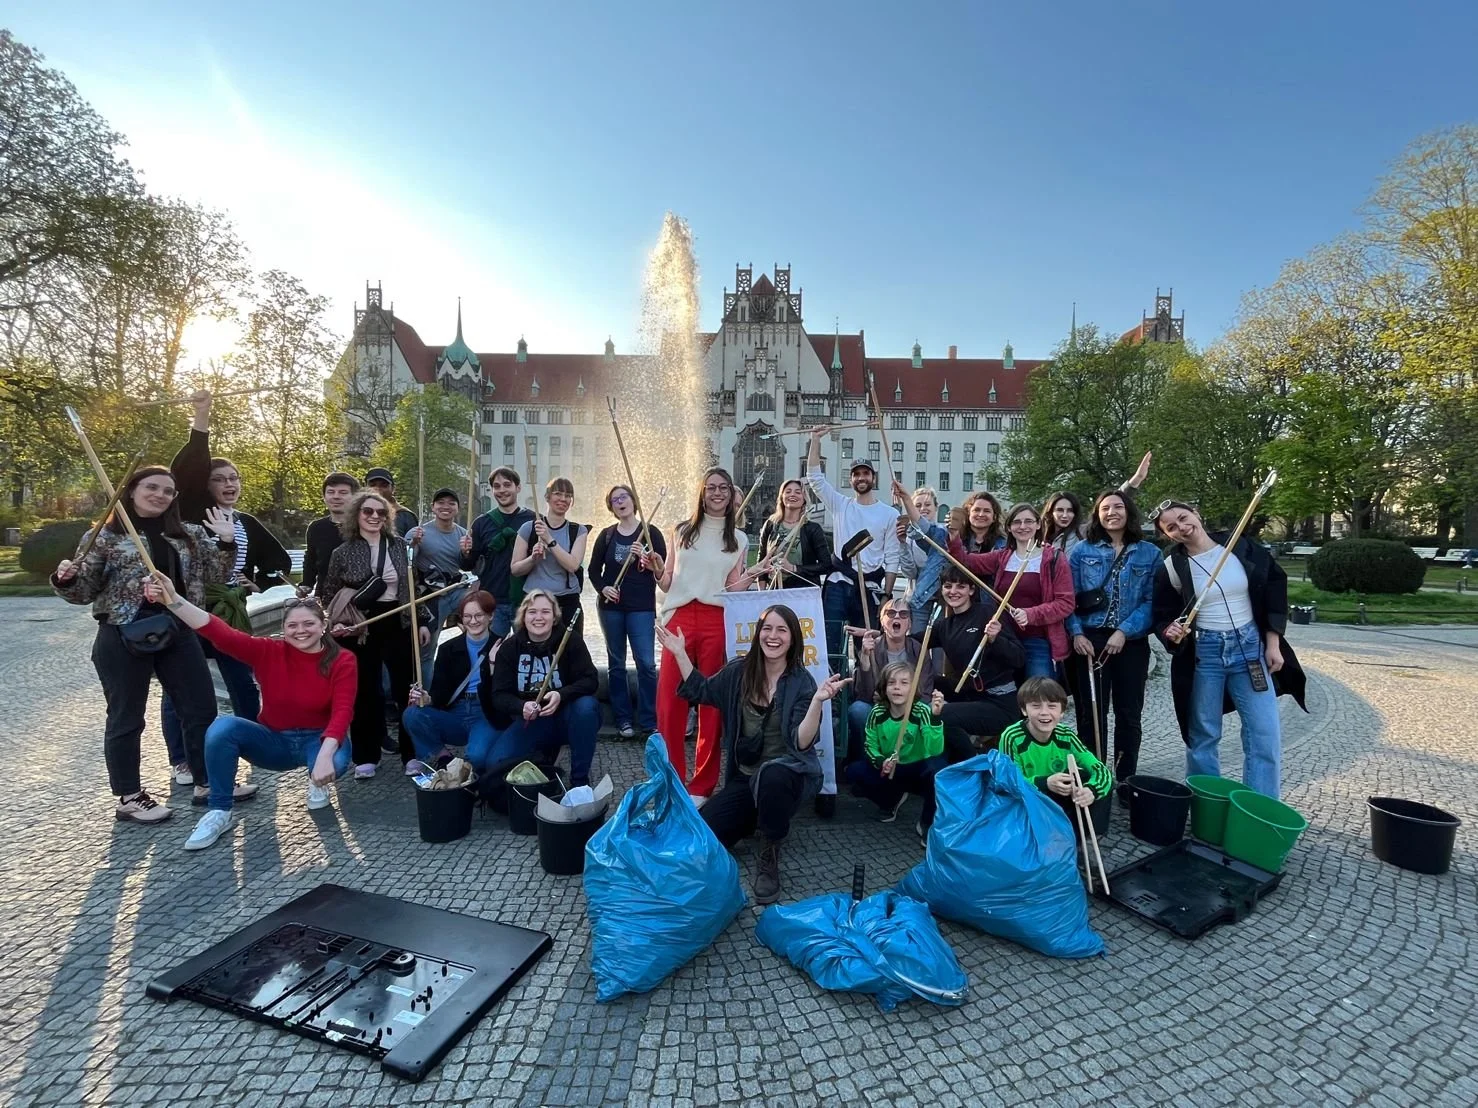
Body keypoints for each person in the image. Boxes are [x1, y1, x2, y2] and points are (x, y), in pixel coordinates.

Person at [51, 466, 241, 824]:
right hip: (122, 632)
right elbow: (82, 592)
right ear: (132, 491)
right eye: (151, 487)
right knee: (126, 717)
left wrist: (227, 542)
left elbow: (218, 574)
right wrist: (66, 580)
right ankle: (129, 796)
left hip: (178, 629)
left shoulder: (188, 533)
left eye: (168, 491)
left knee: (200, 708)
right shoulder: (104, 536)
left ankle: (207, 782)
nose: (160, 495)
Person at [141, 576, 357, 850]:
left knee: (334, 762)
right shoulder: (268, 651)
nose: (300, 631)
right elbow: (218, 631)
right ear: (283, 629)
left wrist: (325, 756)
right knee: (223, 728)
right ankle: (219, 811)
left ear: (323, 626)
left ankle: (319, 779)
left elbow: (342, 711)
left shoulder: (342, 659)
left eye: (309, 624)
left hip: (319, 739)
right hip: (275, 741)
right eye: (292, 625)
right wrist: (173, 600)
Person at [657, 605, 846, 905]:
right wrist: (680, 653)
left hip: (787, 776)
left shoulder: (802, 682)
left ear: (793, 638)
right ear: (758, 634)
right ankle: (753, 817)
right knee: (704, 833)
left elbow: (800, 743)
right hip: (746, 778)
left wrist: (817, 703)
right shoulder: (739, 672)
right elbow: (701, 690)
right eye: (767, 629)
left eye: (782, 630)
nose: (773, 636)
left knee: (772, 774)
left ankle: (770, 853)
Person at [162, 390, 294, 785]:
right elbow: (188, 468)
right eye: (219, 479)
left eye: (234, 478)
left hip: (231, 614)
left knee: (243, 681)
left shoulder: (245, 522)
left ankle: (254, 742)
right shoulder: (191, 515)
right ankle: (182, 758)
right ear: (205, 486)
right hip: (191, 611)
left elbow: (279, 561)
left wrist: (258, 582)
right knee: (179, 687)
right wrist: (202, 417)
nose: (229, 484)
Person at [1150, 500, 1308, 798]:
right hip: (1205, 655)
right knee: (1203, 735)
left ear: (1196, 513)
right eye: (1171, 527)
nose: (1181, 527)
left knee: (1264, 734)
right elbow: (1161, 615)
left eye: (1183, 517)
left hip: (1250, 650)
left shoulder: (1239, 545)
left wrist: (1273, 642)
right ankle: (1207, 804)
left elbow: (1274, 585)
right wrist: (1170, 630)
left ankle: (1260, 808)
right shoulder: (1172, 566)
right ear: (1167, 535)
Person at [648, 467, 765, 801]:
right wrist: (657, 569)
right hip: (680, 617)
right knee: (670, 702)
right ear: (702, 493)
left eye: (723, 488)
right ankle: (671, 779)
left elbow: (733, 586)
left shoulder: (738, 539)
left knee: (711, 704)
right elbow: (668, 581)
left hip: (716, 618)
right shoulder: (681, 531)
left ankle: (702, 785)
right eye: (711, 487)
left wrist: (756, 571)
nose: (717, 493)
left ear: (730, 495)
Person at [324, 488, 433, 776]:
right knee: (365, 690)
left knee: (407, 688)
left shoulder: (400, 546)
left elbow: (412, 587)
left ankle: (412, 753)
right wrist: (336, 623)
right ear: (356, 515)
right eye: (368, 511)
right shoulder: (342, 552)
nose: (375, 516)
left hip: (398, 619)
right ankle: (366, 755)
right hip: (360, 624)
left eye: (381, 512)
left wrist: (421, 620)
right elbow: (330, 593)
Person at [1065, 490, 1161, 791]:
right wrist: (1076, 633)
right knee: (1091, 713)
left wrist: (1124, 631)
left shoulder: (1149, 553)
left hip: (1130, 642)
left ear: (1129, 511)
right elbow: (1068, 598)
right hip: (1089, 640)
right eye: (1105, 508)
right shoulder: (1082, 551)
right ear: (1097, 514)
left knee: (1129, 713)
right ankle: (1095, 777)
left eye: (1118, 506)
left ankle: (1125, 777)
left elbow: (1153, 601)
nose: (1111, 513)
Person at [474, 589, 601, 788]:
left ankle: (579, 782)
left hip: (567, 717)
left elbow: (591, 680)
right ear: (523, 617)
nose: (539, 617)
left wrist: (561, 694)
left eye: (545, 612)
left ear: (554, 617)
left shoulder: (571, 640)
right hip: (532, 721)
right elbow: (499, 695)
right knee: (495, 763)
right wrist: (521, 706)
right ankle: (544, 758)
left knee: (586, 706)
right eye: (532, 612)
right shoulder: (510, 648)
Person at [805, 425, 902, 661]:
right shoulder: (841, 505)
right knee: (831, 644)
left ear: (873, 478)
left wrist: (887, 595)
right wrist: (815, 440)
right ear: (851, 480)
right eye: (856, 474)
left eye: (865, 473)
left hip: (869, 588)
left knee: (866, 649)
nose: (861, 478)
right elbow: (815, 479)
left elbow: (892, 558)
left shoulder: (889, 514)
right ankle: (833, 683)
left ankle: (863, 683)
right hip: (839, 584)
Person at [949, 502, 1074, 680]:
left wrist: (1030, 614)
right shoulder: (1003, 556)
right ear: (1008, 527)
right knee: (1005, 692)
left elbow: (1065, 603)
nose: (1023, 526)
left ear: (1038, 525)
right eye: (1017, 522)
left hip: (1038, 641)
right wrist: (954, 536)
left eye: (1028, 521)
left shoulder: (1054, 558)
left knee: (1038, 691)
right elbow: (965, 562)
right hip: (1004, 639)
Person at [588, 485, 666, 740]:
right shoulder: (607, 535)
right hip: (611, 608)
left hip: (641, 608)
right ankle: (623, 720)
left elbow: (661, 571)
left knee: (646, 663)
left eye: (624, 497)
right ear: (611, 507)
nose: (620, 502)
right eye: (614, 500)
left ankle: (648, 720)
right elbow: (593, 570)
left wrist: (645, 556)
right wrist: (604, 588)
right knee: (616, 664)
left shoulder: (650, 533)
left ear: (633, 500)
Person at [401, 590, 500, 774]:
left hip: (485, 712)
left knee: (476, 758)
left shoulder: (503, 646)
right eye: (467, 616)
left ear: (490, 616)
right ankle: (444, 757)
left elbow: (502, 693)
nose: (473, 621)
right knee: (412, 714)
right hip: (457, 710)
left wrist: (493, 665)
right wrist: (427, 698)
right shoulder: (448, 648)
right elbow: (440, 691)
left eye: (479, 615)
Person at [929, 566, 1025, 753]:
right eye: (948, 586)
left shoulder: (988, 613)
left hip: (999, 702)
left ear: (972, 590)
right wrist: (882, 636)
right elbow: (916, 641)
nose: (953, 591)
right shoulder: (945, 626)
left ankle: (973, 761)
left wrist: (996, 639)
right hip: (970, 694)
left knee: (940, 715)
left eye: (960, 586)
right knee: (927, 683)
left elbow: (1019, 658)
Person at [846, 661, 947, 839]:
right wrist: (880, 761)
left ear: (913, 688)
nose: (897, 687)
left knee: (937, 770)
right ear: (884, 688)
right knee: (853, 771)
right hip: (892, 768)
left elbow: (935, 749)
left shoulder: (922, 711)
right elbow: (870, 745)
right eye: (891, 682)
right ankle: (891, 801)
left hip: (919, 769)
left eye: (904, 683)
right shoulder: (877, 712)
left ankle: (927, 821)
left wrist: (935, 718)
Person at [997, 677, 1112, 833]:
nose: (1044, 712)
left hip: (1056, 795)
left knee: (1094, 780)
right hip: (1026, 800)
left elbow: (1101, 770)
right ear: (1024, 710)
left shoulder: (1066, 735)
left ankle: (1086, 833)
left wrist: (1091, 791)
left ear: (1062, 712)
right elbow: (1007, 782)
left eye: (1052, 706)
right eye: (1036, 706)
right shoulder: (1012, 737)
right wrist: (1045, 783)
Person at [844, 597, 935, 767]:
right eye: (891, 613)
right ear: (882, 621)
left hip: (910, 707)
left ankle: (917, 763)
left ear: (910, 623)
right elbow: (863, 695)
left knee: (930, 710)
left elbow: (925, 690)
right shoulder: (872, 648)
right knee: (858, 710)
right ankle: (865, 760)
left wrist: (898, 703)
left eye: (903, 614)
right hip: (878, 708)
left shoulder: (918, 649)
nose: (897, 617)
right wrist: (865, 659)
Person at [408, 487, 475, 675]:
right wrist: (412, 544)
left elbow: (472, 567)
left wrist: (467, 553)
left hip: (457, 590)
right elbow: (405, 564)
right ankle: (425, 689)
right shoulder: (418, 533)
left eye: (451, 503)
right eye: (441, 503)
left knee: (481, 619)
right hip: (430, 596)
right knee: (426, 650)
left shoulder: (464, 535)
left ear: (458, 509)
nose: (446, 507)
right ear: (433, 507)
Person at [467, 466, 537, 638]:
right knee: (492, 649)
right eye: (497, 486)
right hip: (493, 600)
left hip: (526, 600)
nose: (502, 490)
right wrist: (464, 552)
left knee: (527, 648)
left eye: (507, 485)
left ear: (518, 487)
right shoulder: (481, 523)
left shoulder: (534, 520)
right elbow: (468, 565)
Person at [510, 477, 589, 628]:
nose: (563, 499)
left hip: (567, 601)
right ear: (547, 497)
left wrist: (549, 540)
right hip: (534, 600)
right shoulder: (528, 528)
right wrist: (532, 559)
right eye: (558, 494)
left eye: (568, 496)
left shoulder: (578, 531)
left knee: (569, 643)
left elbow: (572, 565)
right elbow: (515, 569)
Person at [755, 480, 830, 589]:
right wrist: (761, 592)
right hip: (774, 590)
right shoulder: (770, 525)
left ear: (804, 499)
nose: (792, 494)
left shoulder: (812, 529)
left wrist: (793, 568)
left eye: (798, 492)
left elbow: (826, 565)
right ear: (782, 497)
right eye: (788, 491)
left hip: (802, 591)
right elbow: (761, 560)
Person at [894, 484, 948, 631]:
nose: (923, 508)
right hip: (918, 600)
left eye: (928, 504)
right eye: (917, 505)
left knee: (939, 641)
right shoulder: (910, 537)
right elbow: (910, 573)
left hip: (941, 599)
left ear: (936, 507)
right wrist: (903, 544)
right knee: (917, 640)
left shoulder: (944, 534)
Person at [301, 472, 360, 599]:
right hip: (325, 597)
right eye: (331, 492)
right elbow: (311, 559)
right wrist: (306, 583)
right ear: (324, 496)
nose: (336, 497)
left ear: (355, 497)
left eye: (343, 493)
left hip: (359, 597)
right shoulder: (316, 527)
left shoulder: (365, 526)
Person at [364, 467, 419, 537]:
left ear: (393, 489)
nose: (377, 489)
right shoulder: (356, 514)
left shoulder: (405, 516)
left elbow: (413, 542)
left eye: (384, 485)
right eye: (372, 485)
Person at [1042, 491, 1084, 556]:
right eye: (1060, 510)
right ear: (1050, 512)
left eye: (1070, 511)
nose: (1065, 515)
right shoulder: (1039, 536)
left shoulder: (1081, 535)